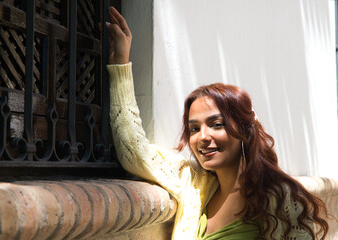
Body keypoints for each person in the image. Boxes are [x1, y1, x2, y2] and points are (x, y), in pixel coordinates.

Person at [105, 6, 329, 240]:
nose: (202, 136)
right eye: (194, 128)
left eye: (216, 124)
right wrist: (120, 65)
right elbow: (134, 151)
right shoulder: (193, 184)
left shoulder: (279, 198)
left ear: (244, 129)